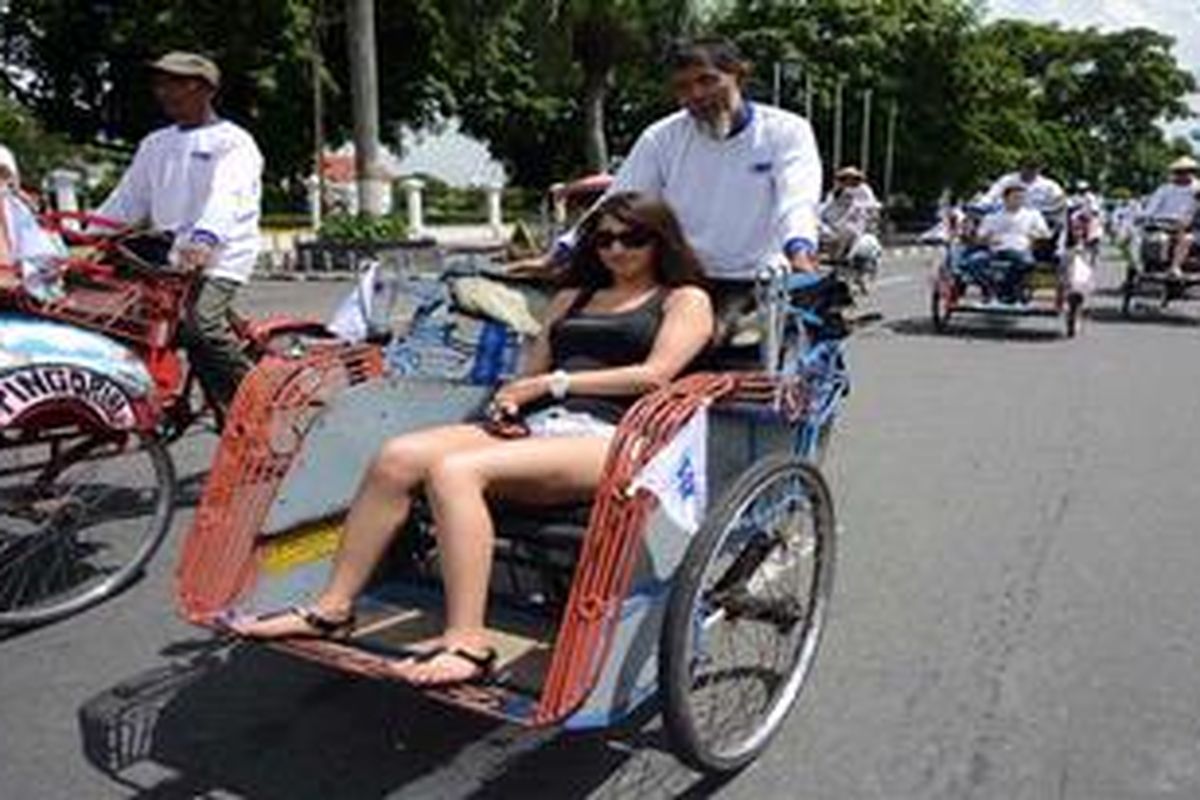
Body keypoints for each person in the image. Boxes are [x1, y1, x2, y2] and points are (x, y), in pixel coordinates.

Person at [230, 192, 715, 686]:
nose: (616, 249)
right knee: (398, 456)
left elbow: (655, 376)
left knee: (455, 471)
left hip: (615, 435)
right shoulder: (574, 298)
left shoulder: (684, 299)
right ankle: (332, 609)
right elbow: (532, 371)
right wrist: (513, 399)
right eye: (604, 238)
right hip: (544, 426)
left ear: (660, 239)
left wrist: (554, 385)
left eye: (632, 238)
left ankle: (467, 644)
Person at [513, 36, 822, 333]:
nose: (696, 95)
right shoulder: (661, 138)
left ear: (739, 75)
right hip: (682, 281)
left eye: (707, 80)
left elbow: (796, 201)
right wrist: (560, 253)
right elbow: (617, 202)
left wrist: (800, 251)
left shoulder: (786, 132)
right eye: (683, 87)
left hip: (756, 282)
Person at [97, 51, 263, 415]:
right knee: (122, 317)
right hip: (168, 256)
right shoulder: (155, 144)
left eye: (177, 83)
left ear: (205, 89)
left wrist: (205, 239)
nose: (165, 91)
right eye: (161, 83)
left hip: (221, 252)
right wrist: (85, 236)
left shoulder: (233, 142)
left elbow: (226, 197)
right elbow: (126, 200)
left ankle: (257, 401)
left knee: (201, 327)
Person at [965, 183, 1051, 302]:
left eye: (1021, 197)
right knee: (972, 262)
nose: (1019, 200)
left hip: (1020, 249)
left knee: (1027, 263)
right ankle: (989, 287)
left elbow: (1046, 233)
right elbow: (980, 238)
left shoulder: (1033, 215)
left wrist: (1034, 235)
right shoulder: (992, 217)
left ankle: (1007, 288)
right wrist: (988, 240)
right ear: (1005, 198)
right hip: (996, 250)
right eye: (1015, 197)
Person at [1139, 156, 1199, 278]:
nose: (1183, 175)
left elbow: (1194, 210)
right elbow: (1152, 206)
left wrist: (1188, 221)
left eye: (1186, 171)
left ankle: (1175, 267)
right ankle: (1155, 263)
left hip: (1189, 226)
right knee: (1152, 240)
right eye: (1179, 172)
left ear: (1192, 172)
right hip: (1162, 223)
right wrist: (1144, 216)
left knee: (1186, 239)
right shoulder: (1164, 189)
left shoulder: (1197, 189)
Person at [820, 165, 881, 261]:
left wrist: (864, 211)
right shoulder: (836, 192)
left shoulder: (864, 190)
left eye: (851, 178)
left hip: (855, 222)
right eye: (844, 178)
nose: (848, 181)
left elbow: (869, 205)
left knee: (848, 231)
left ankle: (843, 256)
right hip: (835, 222)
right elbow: (827, 206)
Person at [983, 158, 1067, 220]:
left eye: (1034, 167)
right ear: (1021, 166)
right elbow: (990, 196)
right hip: (1008, 218)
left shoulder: (1049, 185)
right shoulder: (1007, 180)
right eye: (1028, 167)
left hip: (1038, 219)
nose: (1031, 170)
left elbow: (1060, 199)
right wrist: (984, 204)